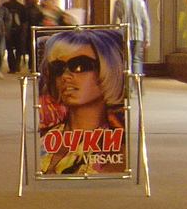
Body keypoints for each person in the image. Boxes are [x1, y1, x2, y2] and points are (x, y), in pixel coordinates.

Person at [37, 28, 127, 175]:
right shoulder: (45, 137)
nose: (66, 76)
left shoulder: (117, 148)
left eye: (80, 65)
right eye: (57, 67)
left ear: (109, 69)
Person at [112, 0, 151, 75]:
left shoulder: (119, 2)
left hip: (124, 34)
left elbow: (114, 21)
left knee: (127, 60)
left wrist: (113, 35)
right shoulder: (140, 2)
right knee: (137, 59)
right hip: (138, 34)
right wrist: (147, 38)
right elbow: (145, 21)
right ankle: (137, 83)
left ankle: (128, 86)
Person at [3, 0, 26, 73]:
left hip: (8, 30)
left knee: (9, 49)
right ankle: (17, 65)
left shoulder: (5, 6)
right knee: (18, 49)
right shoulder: (21, 7)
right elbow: (24, 20)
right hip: (19, 31)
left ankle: (12, 67)